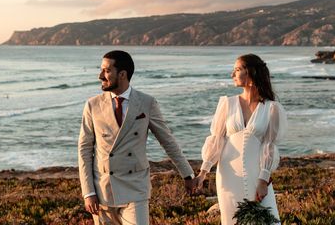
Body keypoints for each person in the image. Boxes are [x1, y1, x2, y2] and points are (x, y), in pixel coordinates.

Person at [78, 50, 195, 225]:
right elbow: (85, 149)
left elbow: (167, 141)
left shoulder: (146, 102)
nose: (100, 76)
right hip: (103, 189)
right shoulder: (92, 105)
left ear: (122, 74)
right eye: (101, 70)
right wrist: (88, 192)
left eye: (107, 71)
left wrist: (187, 174)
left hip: (135, 187)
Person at [193, 54, 287, 224]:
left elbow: (269, 145)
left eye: (237, 70)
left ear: (250, 72)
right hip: (228, 175)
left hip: (256, 175)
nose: (232, 74)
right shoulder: (227, 104)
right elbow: (217, 140)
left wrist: (263, 180)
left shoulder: (271, 108)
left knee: (266, 219)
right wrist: (203, 172)